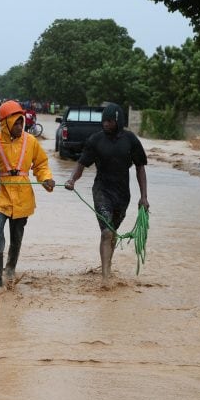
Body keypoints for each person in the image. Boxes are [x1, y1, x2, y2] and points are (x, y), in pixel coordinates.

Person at [64, 102, 149, 279]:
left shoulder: (131, 140)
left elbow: (140, 168)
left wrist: (144, 197)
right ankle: (105, 277)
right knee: (107, 231)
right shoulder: (96, 140)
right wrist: (72, 180)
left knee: (113, 232)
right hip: (102, 191)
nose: (106, 124)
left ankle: (107, 265)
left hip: (123, 195)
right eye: (104, 121)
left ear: (118, 121)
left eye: (109, 121)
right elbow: (81, 164)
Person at [0, 100, 55, 289]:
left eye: (21, 122)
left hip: (23, 196)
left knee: (16, 237)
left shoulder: (31, 141)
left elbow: (41, 165)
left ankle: (10, 268)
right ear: (5, 123)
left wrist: (46, 179)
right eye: (15, 122)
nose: (19, 126)